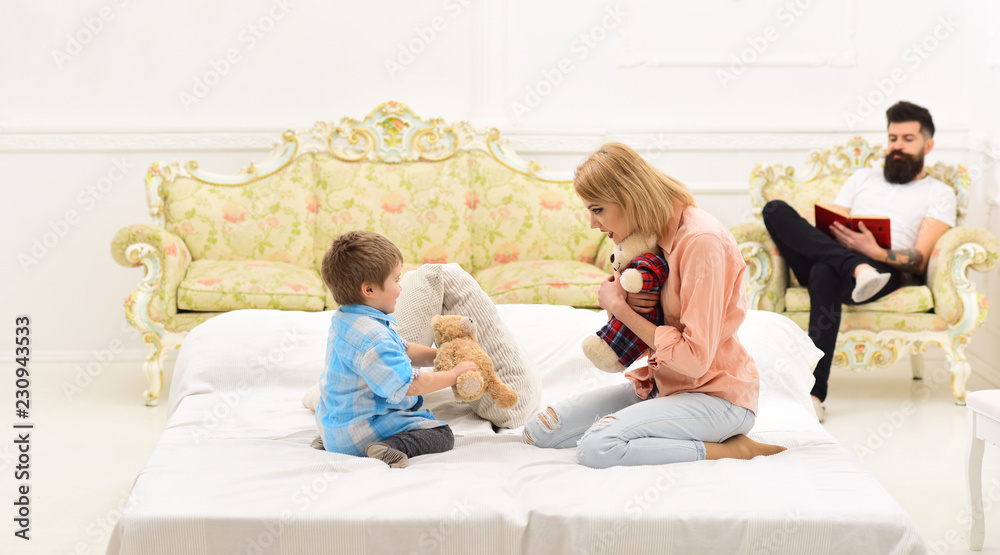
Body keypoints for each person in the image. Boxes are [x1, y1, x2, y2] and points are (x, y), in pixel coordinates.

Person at [522, 143, 785, 467]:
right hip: (663, 387)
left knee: (597, 447)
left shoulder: (701, 242)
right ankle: (659, 428)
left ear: (629, 198)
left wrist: (620, 308)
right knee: (539, 431)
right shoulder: (645, 238)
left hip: (716, 398)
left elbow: (695, 360)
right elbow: (640, 322)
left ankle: (736, 448)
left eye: (597, 209)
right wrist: (618, 299)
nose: (592, 223)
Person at [761, 101, 956, 421]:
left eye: (908, 139)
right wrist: (844, 244)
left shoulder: (939, 193)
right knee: (775, 210)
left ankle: (813, 395)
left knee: (824, 271)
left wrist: (874, 252)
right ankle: (854, 266)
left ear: (928, 145)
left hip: (884, 271)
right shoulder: (863, 177)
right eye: (893, 138)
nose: (897, 146)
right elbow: (830, 227)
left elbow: (920, 261)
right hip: (839, 255)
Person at [314, 230, 476, 468]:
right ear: (369, 290)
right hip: (361, 433)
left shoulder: (345, 319)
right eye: (396, 280)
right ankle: (386, 447)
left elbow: (403, 350)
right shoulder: (375, 339)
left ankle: (336, 441)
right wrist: (453, 375)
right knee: (441, 434)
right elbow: (411, 385)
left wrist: (441, 355)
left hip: (333, 427)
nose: (400, 289)